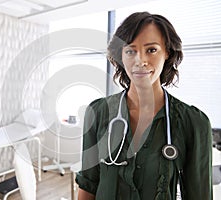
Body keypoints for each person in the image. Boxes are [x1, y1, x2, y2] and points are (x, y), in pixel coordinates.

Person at [75, 12, 213, 200]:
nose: (140, 61)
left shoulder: (193, 122)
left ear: (167, 52)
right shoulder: (98, 113)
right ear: (121, 56)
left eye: (151, 50)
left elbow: (200, 195)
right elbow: (88, 186)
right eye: (131, 51)